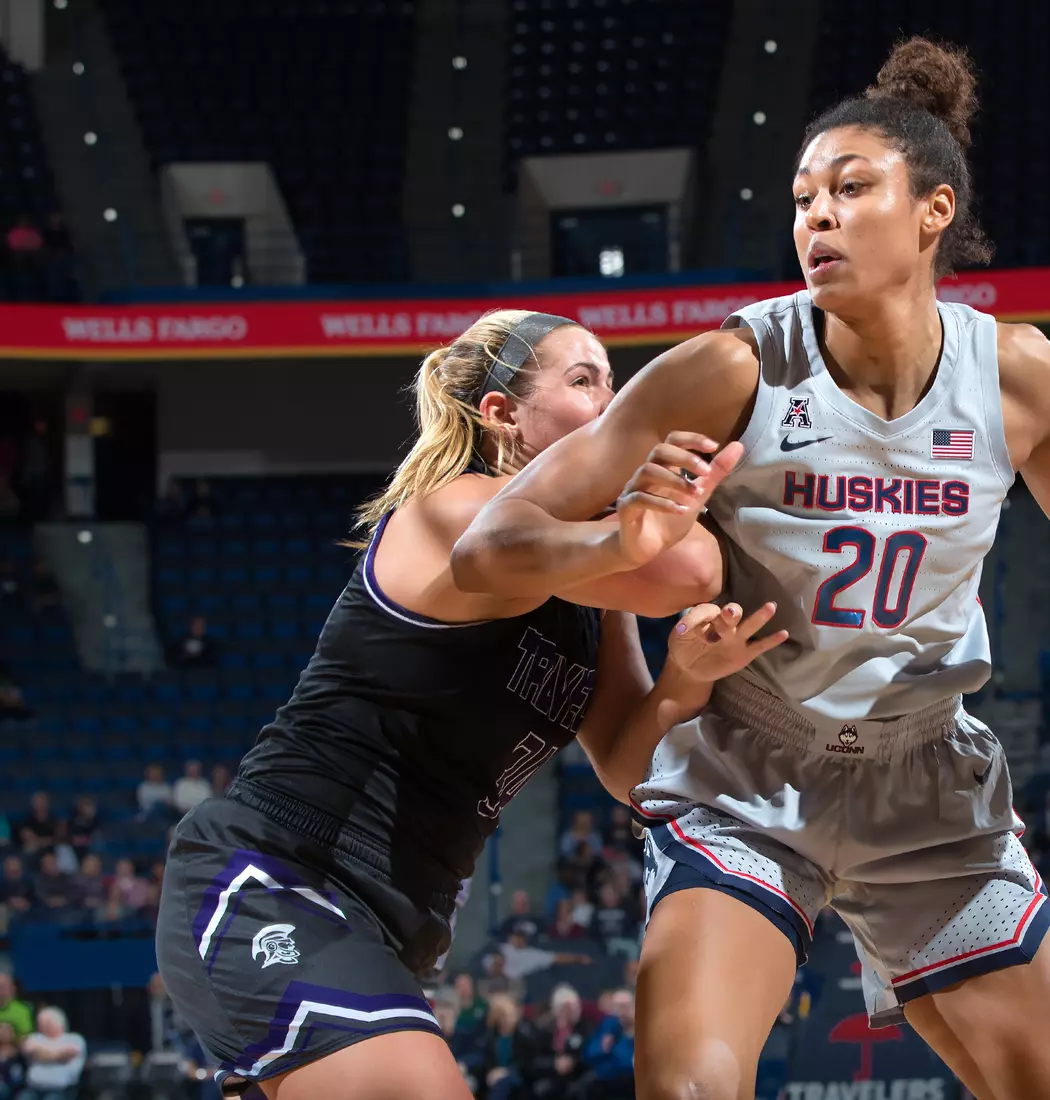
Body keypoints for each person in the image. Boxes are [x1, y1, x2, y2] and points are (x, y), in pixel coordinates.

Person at [451, 37, 1050, 1100]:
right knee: (687, 1088)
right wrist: (617, 541)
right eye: (804, 197)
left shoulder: (1017, 374)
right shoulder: (729, 368)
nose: (817, 215)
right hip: (752, 768)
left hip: (928, 784)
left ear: (933, 210)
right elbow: (488, 542)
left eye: (851, 188)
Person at [152, 310, 787, 1100]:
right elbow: (688, 569)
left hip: (396, 922)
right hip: (282, 875)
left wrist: (685, 678)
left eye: (615, 383)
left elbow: (629, 769)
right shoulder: (452, 511)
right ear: (502, 414)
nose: (614, 404)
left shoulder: (594, 594)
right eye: (584, 381)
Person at [477, 994, 537, 1100]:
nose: (508, 1019)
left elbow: (527, 1064)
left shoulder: (524, 1036)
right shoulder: (491, 1037)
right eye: (503, 1016)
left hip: (518, 1077)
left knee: (503, 1082)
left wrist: (505, 1071)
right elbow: (486, 1061)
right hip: (494, 1078)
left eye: (511, 1015)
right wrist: (491, 1073)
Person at [19, 1006, 84, 1100]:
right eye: (40, 1022)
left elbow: (67, 1055)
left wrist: (42, 1054)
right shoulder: (34, 1038)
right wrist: (58, 1056)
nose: (41, 1025)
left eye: (46, 1022)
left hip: (62, 1089)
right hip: (33, 1089)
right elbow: (31, 1052)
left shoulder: (74, 1039)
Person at [582, 989, 636, 1099]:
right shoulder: (609, 1026)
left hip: (631, 1086)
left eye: (625, 1006)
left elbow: (627, 1063)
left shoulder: (644, 1031)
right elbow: (588, 1054)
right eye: (617, 1007)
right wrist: (602, 1048)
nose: (622, 1012)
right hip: (606, 1086)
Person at [0, 974, 31, 1038]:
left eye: (3, 988)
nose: (1, 992)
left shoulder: (23, 1009)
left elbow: (26, 1036)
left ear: (12, 989)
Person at [0, 1021, 25, 1099]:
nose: (5, 1034)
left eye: (8, 1031)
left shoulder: (20, 1051)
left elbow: (24, 1069)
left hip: (17, 1085)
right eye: (2, 1031)